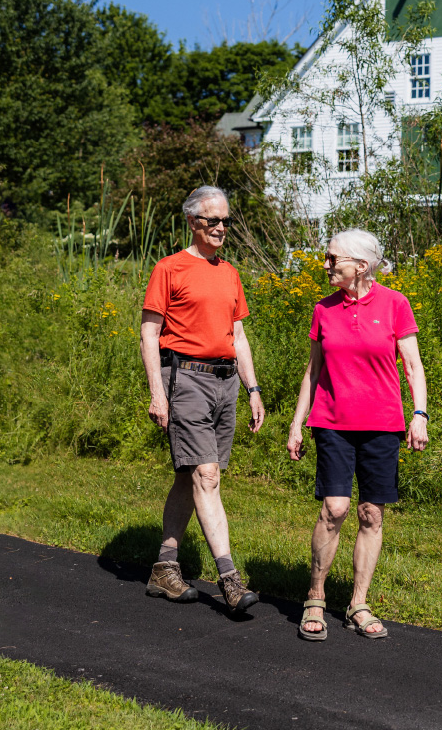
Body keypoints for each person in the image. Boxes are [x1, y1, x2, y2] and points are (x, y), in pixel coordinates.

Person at [287, 229, 428, 640]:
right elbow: (312, 371)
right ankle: (315, 596)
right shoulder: (324, 309)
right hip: (331, 422)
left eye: (333, 259)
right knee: (335, 508)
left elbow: (413, 366)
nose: (326, 265)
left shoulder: (395, 304)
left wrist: (419, 414)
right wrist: (297, 423)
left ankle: (358, 603)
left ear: (360, 266)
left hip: (383, 424)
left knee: (371, 513)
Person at [140, 185, 265, 613]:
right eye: (213, 220)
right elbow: (149, 333)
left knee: (190, 476)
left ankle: (164, 567)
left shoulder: (229, 272)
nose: (222, 227)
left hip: (225, 382)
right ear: (193, 221)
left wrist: (253, 389)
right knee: (206, 475)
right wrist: (158, 392)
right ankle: (229, 579)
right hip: (185, 379)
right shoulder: (169, 268)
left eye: (226, 220)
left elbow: (239, 335)